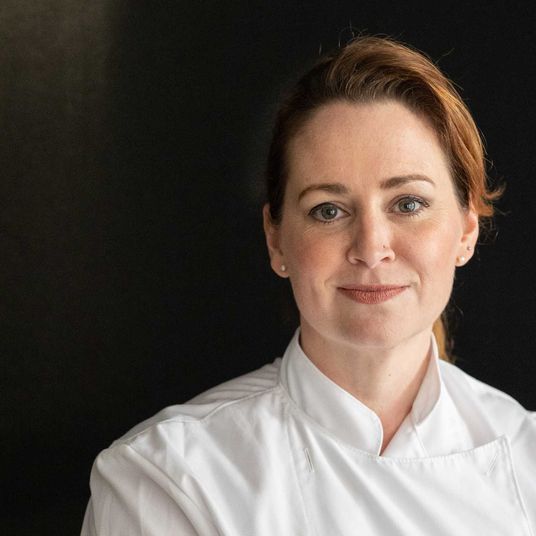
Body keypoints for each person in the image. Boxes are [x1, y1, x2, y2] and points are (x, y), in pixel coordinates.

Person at [81, 36, 536, 535]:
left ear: (466, 229)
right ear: (276, 239)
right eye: (328, 210)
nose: (371, 247)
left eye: (408, 204)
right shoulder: (167, 478)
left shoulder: (526, 453)